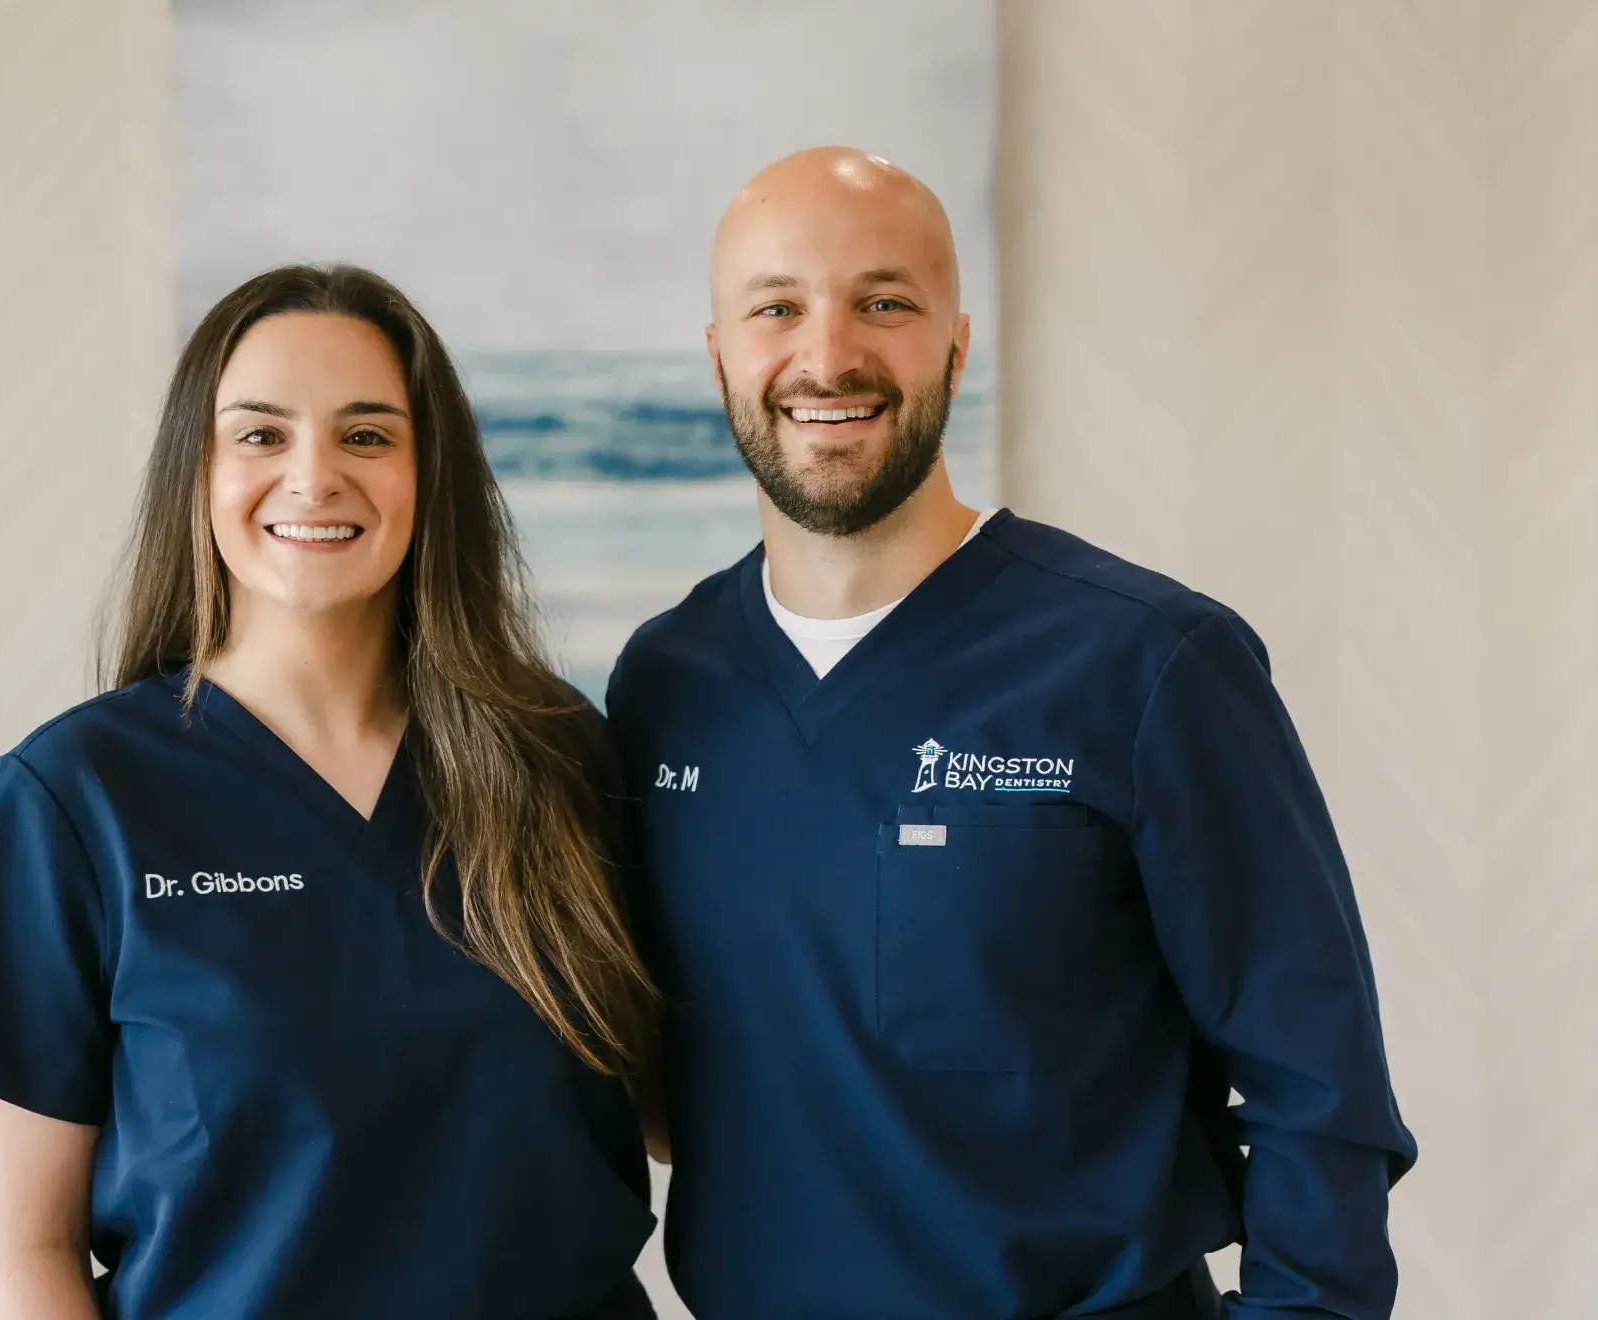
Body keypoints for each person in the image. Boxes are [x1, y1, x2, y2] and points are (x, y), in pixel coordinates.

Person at [605, 148, 1417, 1319]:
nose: (826, 355)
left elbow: (1319, 1090)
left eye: (883, 303)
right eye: (775, 308)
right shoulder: (664, 686)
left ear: (954, 342)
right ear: (719, 352)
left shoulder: (1146, 662)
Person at [0, 265, 660, 1320]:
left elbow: (687, 1104)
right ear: (194, 473)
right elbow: (26, 1262)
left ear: (433, 476)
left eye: (367, 435)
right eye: (260, 435)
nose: (313, 476)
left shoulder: (563, 759)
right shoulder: (75, 798)